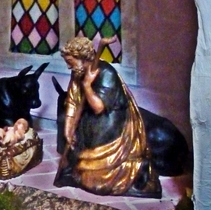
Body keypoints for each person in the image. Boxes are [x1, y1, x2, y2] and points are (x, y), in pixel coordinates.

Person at [54, 36, 161, 198]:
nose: (69, 67)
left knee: (91, 179)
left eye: (70, 62)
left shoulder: (106, 73)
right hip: (91, 121)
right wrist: (69, 127)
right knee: (77, 164)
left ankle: (139, 167)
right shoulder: (78, 72)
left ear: (82, 57)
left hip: (111, 123)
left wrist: (87, 86)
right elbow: (73, 100)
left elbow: (99, 107)